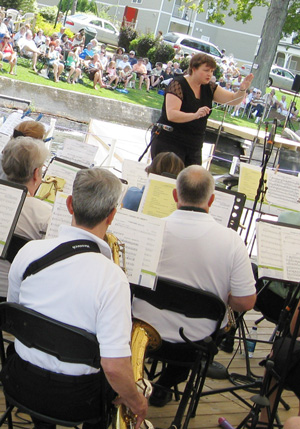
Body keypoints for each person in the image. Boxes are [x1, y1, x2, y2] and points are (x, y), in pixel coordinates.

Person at [0, 168, 148, 429]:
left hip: (20, 381)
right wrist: (135, 400)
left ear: (69, 204)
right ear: (112, 216)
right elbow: (114, 367)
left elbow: (15, 314)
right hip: (78, 400)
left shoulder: (29, 252)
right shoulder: (113, 279)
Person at [132, 165, 256, 406]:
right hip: (193, 342)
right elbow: (246, 302)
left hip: (143, 332)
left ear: (175, 196)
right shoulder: (232, 241)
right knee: (200, 347)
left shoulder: (151, 229)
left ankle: (141, 381)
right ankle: (165, 384)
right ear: (211, 199)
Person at [150, 53, 254, 166]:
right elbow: (172, 114)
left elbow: (233, 100)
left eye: (212, 71)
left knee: (193, 181)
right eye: (206, 70)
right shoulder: (177, 84)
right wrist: (195, 115)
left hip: (194, 144)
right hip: (170, 141)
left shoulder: (210, 87)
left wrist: (242, 90)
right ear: (194, 69)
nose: (209, 74)